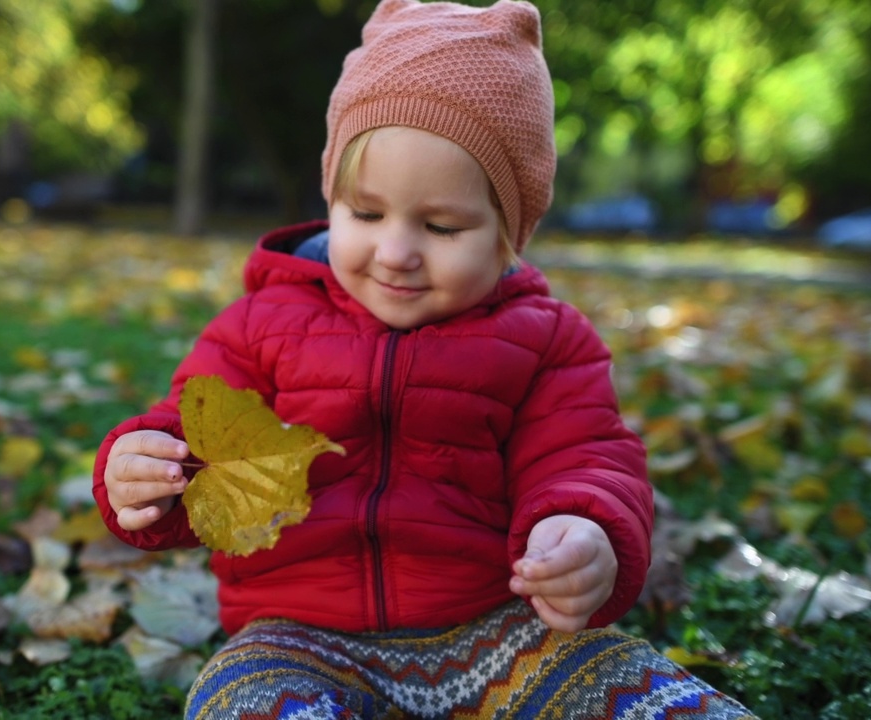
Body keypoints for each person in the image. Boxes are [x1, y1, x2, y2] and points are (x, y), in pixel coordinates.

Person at [94, 1, 758, 717]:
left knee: (629, 685)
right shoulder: (259, 326)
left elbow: (587, 454)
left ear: (510, 233)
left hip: (500, 627)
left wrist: (586, 531)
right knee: (244, 703)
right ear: (331, 198)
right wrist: (146, 472)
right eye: (366, 214)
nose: (397, 251)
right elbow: (196, 440)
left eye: (442, 226)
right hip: (295, 636)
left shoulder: (546, 342)